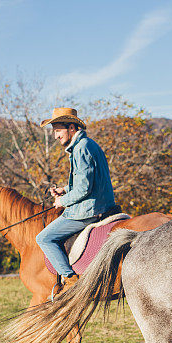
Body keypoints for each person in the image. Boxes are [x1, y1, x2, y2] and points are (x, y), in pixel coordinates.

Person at [36, 107, 118, 290]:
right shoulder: (89, 144)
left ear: (71, 127)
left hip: (89, 211)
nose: (56, 136)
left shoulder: (81, 148)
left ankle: (70, 279)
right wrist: (64, 190)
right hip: (100, 204)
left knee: (43, 238)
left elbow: (83, 188)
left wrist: (62, 202)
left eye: (58, 130)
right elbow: (88, 181)